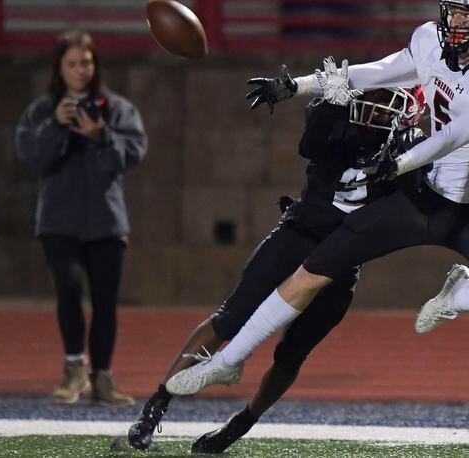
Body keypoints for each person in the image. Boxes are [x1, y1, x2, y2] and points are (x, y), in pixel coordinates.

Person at [165, 0, 469, 409]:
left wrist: (400, 162)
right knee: (314, 269)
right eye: (455, 12)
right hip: (423, 195)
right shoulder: (428, 41)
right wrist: (300, 86)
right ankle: (229, 360)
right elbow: (379, 71)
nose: (459, 23)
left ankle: (462, 295)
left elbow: (453, 137)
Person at [126, 75, 427, 451]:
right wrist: (331, 106)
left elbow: (413, 202)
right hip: (298, 235)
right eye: (375, 94)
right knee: (230, 319)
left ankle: (239, 425)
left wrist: (410, 162)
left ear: (411, 109)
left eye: (388, 98)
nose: (378, 105)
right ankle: (157, 405)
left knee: (293, 353)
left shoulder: (411, 147)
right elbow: (310, 145)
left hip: (343, 259)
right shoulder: (337, 110)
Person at [15, 30, 147, 406]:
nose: (80, 70)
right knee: (69, 289)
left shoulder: (117, 108)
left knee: (105, 300)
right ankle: (73, 369)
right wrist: (57, 124)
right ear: (60, 67)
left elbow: (129, 157)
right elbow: (33, 157)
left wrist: (101, 135)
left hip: (106, 220)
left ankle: (102, 376)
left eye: (86, 62)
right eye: (72, 63)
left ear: (95, 64)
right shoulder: (43, 110)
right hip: (58, 220)